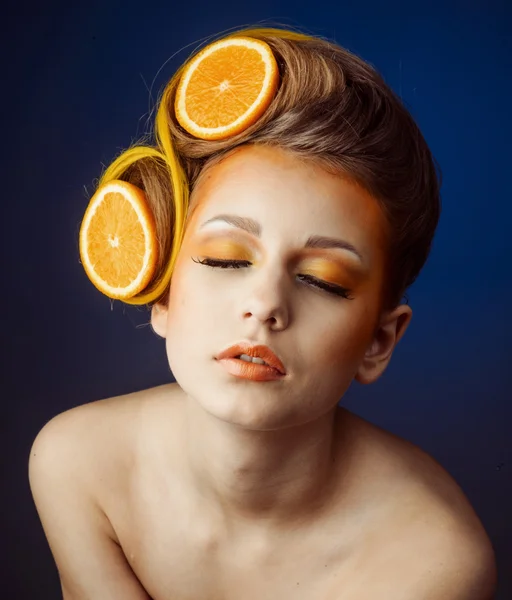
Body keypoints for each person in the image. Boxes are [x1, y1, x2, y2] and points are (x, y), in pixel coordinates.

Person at [28, 27, 497, 599]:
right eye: (226, 260)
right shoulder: (76, 466)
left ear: (379, 341)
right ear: (162, 293)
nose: (266, 304)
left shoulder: (433, 563)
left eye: (321, 281)